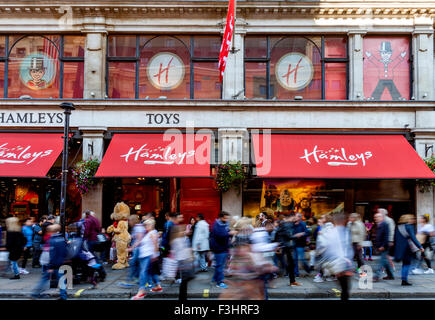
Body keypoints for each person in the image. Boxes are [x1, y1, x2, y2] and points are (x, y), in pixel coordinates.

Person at [318, 212, 353, 301]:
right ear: (344, 221)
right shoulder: (344, 231)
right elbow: (346, 248)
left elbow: (324, 247)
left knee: (344, 288)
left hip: (337, 262)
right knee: (345, 289)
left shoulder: (333, 232)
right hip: (342, 263)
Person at [31, 224, 68, 300]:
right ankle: (63, 296)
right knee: (61, 280)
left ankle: (35, 294)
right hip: (60, 263)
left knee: (44, 279)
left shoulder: (52, 240)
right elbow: (65, 252)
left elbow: (52, 254)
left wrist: (51, 266)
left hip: (53, 264)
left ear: (52, 231)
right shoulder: (62, 239)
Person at [131, 219, 162, 300]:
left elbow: (156, 245)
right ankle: (158, 286)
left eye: (147, 225)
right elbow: (140, 241)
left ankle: (141, 292)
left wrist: (155, 255)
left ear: (151, 225)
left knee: (143, 273)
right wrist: (132, 248)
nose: (145, 227)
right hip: (144, 255)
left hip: (148, 256)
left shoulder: (152, 233)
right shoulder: (147, 233)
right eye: (145, 225)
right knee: (150, 273)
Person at [394, 214, 424, 286]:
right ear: (408, 219)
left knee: (405, 264)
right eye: (412, 218)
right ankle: (404, 279)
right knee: (407, 264)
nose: (413, 220)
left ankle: (403, 278)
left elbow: (395, 238)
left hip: (400, 247)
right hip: (408, 248)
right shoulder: (410, 226)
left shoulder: (398, 227)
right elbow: (413, 238)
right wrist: (420, 246)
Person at [210, 211, 236, 288]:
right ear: (221, 217)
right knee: (220, 267)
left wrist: (229, 232)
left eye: (227, 218)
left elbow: (226, 231)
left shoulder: (224, 224)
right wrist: (229, 233)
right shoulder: (217, 225)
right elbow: (220, 235)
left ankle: (214, 278)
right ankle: (219, 282)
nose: (227, 219)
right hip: (219, 248)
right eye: (225, 218)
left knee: (220, 265)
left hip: (224, 247)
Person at [119, 214, 145, 288]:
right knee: (136, 264)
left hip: (138, 249)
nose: (128, 222)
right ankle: (135, 279)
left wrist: (131, 248)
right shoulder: (137, 227)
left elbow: (139, 240)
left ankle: (130, 280)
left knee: (133, 264)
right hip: (138, 249)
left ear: (133, 221)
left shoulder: (138, 227)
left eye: (129, 220)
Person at [274, 214, 301, 286]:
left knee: (289, 263)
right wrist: (297, 236)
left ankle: (292, 281)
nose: (295, 219)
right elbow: (289, 236)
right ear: (290, 218)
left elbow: (278, 233)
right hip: (286, 246)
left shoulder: (284, 224)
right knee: (290, 263)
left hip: (284, 246)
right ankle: (291, 280)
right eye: (294, 217)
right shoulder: (287, 224)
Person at [373, 212, 395, 281]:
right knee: (385, 261)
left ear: (381, 217)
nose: (375, 218)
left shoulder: (385, 224)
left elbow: (386, 236)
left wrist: (383, 245)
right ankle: (390, 275)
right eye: (375, 217)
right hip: (381, 246)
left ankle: (376, 276)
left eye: (377, 217)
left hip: (384, 246)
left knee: (381, 261)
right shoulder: (379, 225)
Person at [377, 208, 396, 272]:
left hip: (387, 240)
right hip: (382, 241)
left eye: (379, 212)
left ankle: (382, 269)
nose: (378, 213)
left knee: (385, 255)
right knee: (385, 255)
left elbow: (391, 230)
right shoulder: (380, 220)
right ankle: (389, 269)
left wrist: (391, 240)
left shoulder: (389, 220)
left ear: (383, 213)